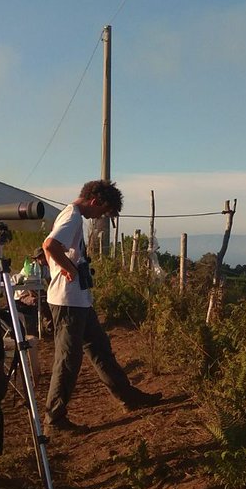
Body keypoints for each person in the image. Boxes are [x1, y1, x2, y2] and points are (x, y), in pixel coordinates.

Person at [43, 179, 161, 431]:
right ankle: (54, 418)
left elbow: (50, 247)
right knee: (68, 360)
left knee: (100, 349)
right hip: (68, 302)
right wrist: (69, 270)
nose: (100, 218)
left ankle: (128, 397)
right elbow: (49, 245)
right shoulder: (73, 217)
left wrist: (64, 267)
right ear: (95, 202)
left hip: (79, 300)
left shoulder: (72, 215)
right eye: (103, 212)